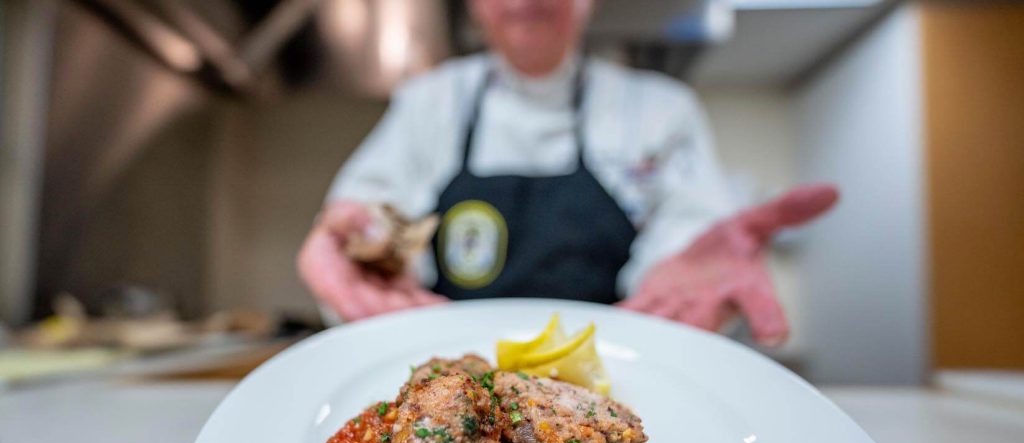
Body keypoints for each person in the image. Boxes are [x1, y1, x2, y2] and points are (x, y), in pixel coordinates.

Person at [297, 0, 837, 346]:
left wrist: (688, 267)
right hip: (450, 375)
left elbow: (690, 238)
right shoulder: (428, 105)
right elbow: (370, 218)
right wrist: (360, 248)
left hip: (616, 382)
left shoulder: (659, 110)